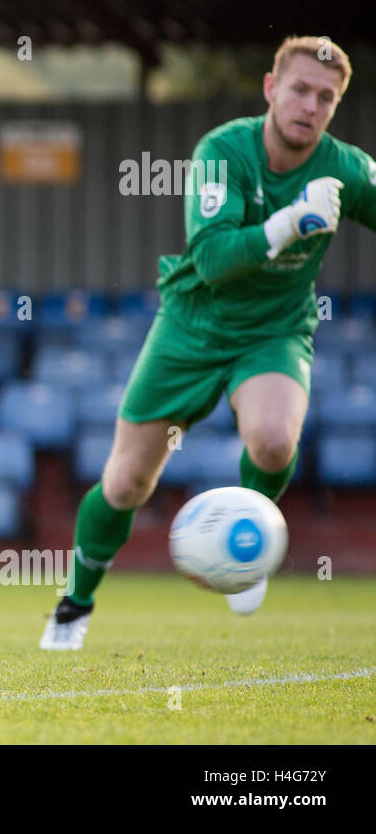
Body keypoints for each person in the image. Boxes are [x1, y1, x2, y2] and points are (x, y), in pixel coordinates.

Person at [41, 36, 376, 651]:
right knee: (124, 485)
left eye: (326, 98)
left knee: (274, 441)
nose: (310, 106)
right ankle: (74, 604)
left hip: (274, 330)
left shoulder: (345, 168)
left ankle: (245, 547)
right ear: (272, 89)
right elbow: (215, 259)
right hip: (191, 325)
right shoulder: (221, 151)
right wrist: (286, 223)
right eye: (299, 90)